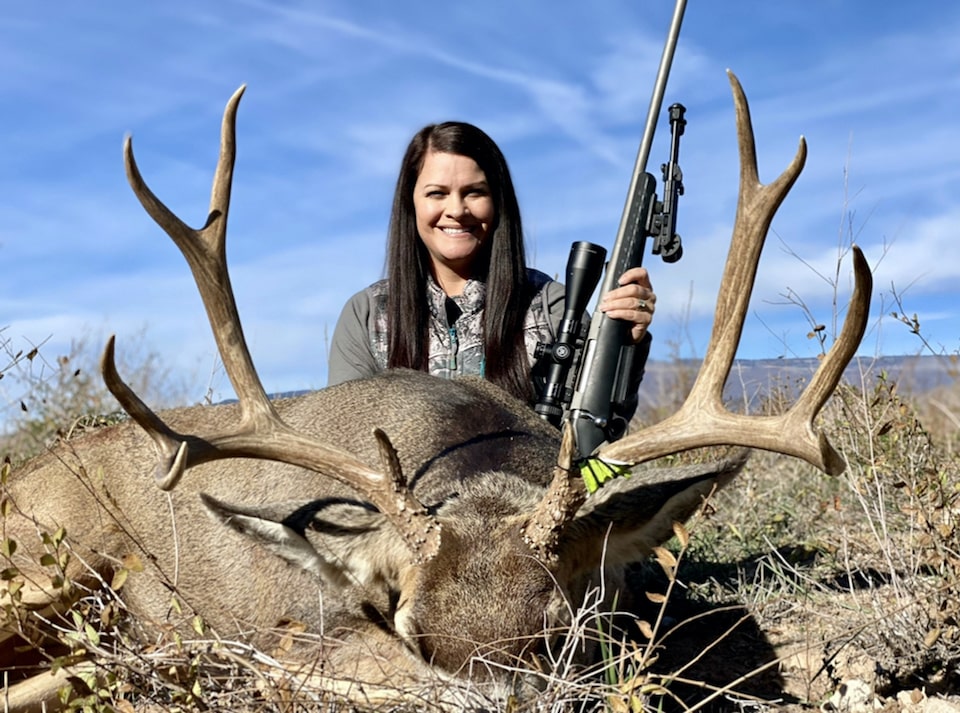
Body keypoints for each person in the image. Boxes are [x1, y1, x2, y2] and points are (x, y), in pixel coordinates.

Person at [327, 121, 656, 420]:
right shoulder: (368, 315)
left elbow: (595, 432)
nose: (456, 210)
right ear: (410, 203)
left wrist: (626, 344)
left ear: (499, 202)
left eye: (475, 192)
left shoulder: (553, 308)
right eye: (437, 193)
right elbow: (344, 437)